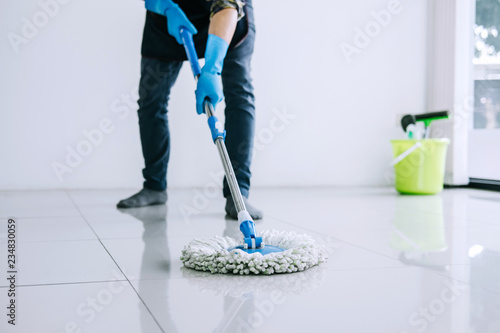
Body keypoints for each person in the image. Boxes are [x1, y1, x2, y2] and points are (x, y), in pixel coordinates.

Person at [117, 0, 263, 220]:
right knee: (151, 99)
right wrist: (165, 6)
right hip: (166, 18)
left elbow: (227, 6)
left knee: (239, 95)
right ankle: (154, 186)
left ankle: (237, 194)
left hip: (228, 17)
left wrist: (212, 70)